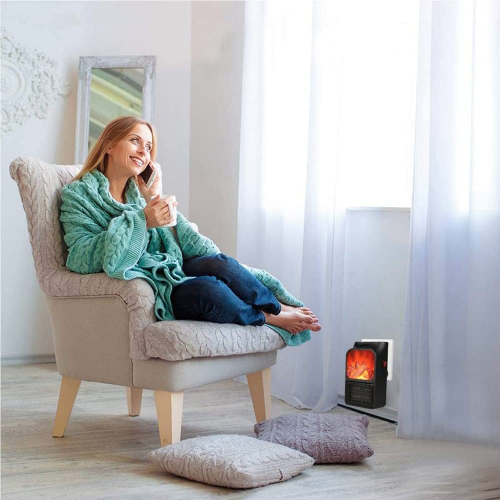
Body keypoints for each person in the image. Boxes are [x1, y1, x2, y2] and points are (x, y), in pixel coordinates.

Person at [59, 116, 321, 343]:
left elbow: (198, 249)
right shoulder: (78, 195)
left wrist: (154, 197)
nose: (143, 152)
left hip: (173, 267)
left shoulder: (140, 196)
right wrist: (141, 221)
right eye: (135, 141)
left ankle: (275, 306)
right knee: (208, 289)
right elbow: (79, 257)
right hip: (157, 287)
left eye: (148, 147)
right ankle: (268, 317)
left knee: (220, 264)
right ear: (109, 144)